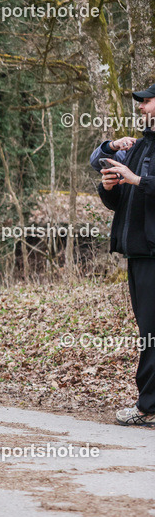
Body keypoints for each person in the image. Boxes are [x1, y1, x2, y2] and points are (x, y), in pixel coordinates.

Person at [91, 82, 155, 426]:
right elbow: (119, 202)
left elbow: (143, 184)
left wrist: (137, 179)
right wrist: (109, 187)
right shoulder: (138, 147)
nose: (141, 107)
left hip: (152, 255)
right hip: (138, 254)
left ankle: (147, 408)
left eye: (147, 102)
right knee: (149, 330)